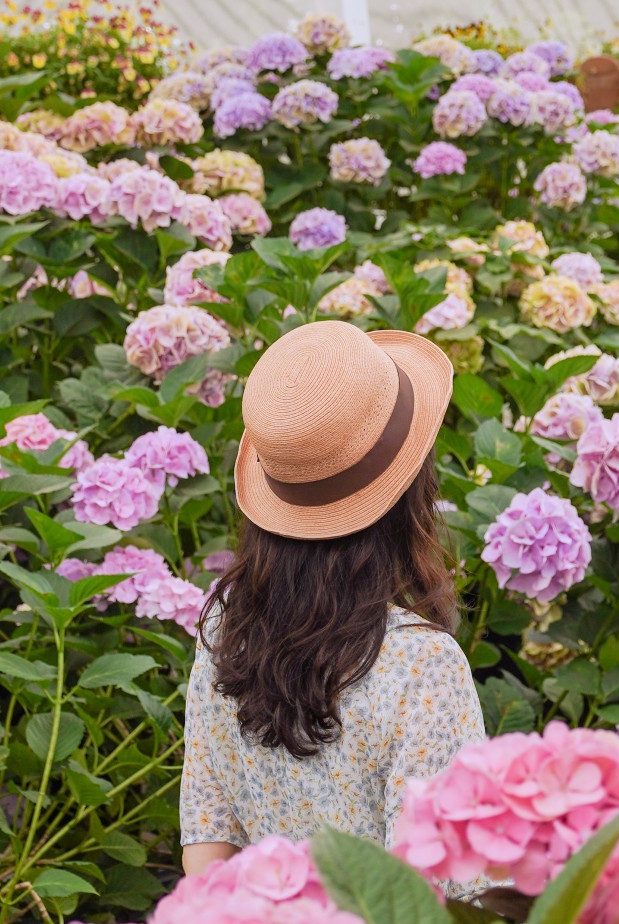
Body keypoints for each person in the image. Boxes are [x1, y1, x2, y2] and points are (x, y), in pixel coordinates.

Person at [180, 319, 485, 875]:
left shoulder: (228, 626)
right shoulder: (423, 664)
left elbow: (208, 836)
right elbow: (440, 887)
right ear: (412, 487)